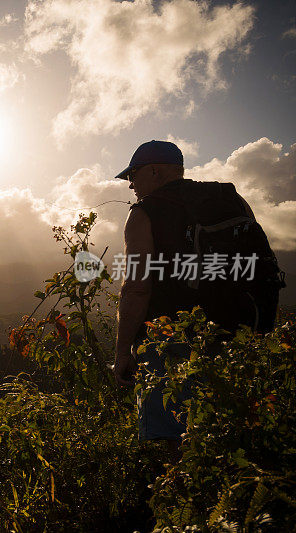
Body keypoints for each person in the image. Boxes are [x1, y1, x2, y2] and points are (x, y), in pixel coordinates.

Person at [110, 139, 280, 457]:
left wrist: (122, 353)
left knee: (170, 444)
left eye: (133, 174)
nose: (130, 183)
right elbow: (259, 265)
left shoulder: (144, 214)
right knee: (230, 439)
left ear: (155, 170)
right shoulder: (233, 199)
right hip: (235, 337)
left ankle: (178, 500)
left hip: (168, 344)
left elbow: (137, 287)